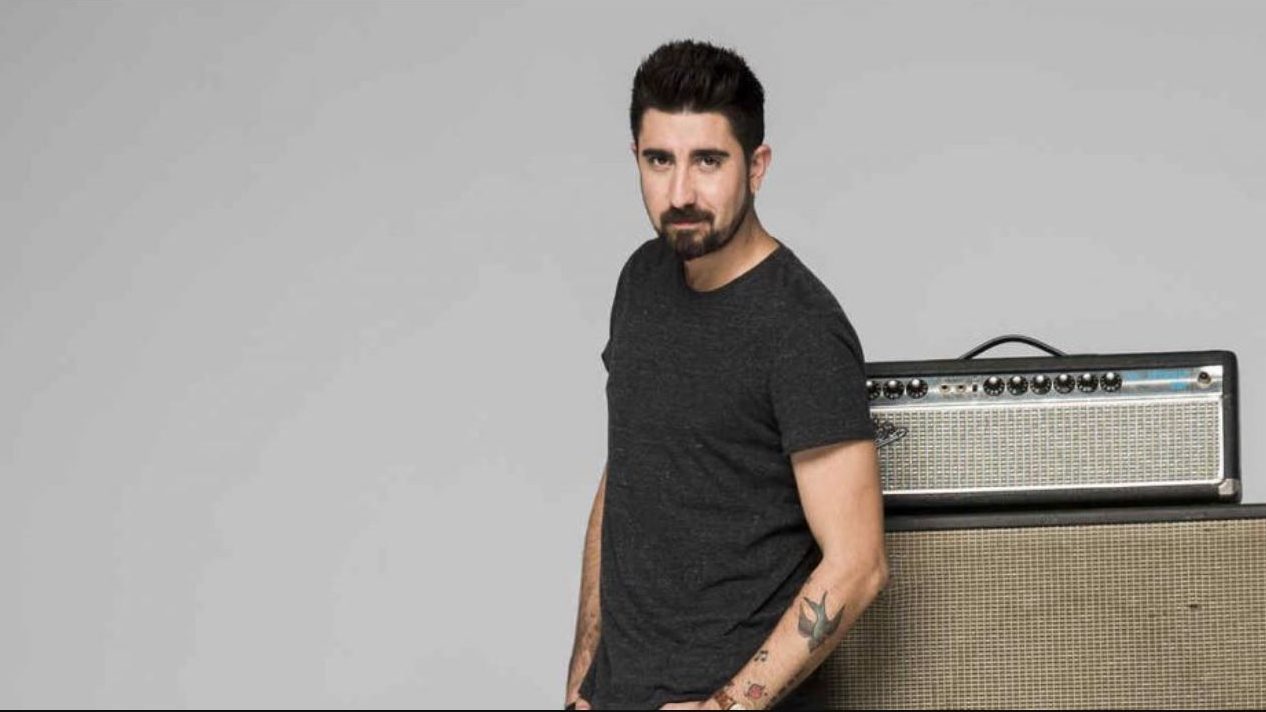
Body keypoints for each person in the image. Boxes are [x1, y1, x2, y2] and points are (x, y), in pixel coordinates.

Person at [565, 39, 888, 711]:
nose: (681, 192)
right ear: (636, 159)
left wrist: (727, 706)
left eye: (708, 161)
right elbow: (624, 475)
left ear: (756, 166)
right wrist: (582, 680)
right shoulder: (641, 280)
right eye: (660, 160)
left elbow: (857, 565)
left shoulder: (802, 328)